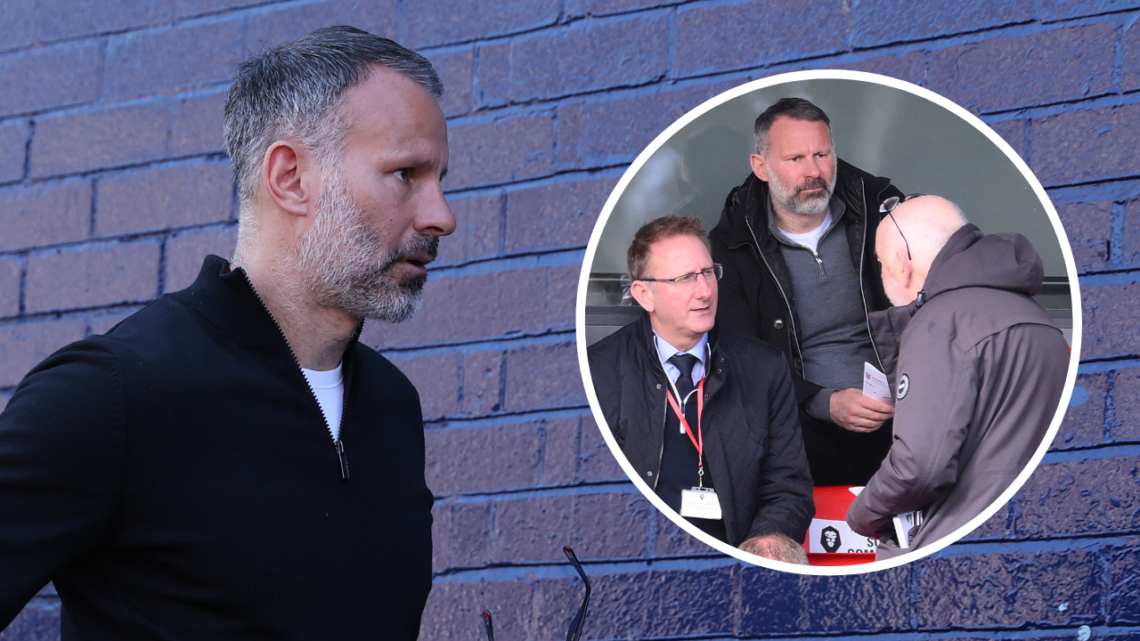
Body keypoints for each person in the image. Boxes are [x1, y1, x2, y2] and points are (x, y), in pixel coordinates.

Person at [0, 26, 455, 639]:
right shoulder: (116, 393)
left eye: (440, 180)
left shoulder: (392, 405)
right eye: (405, 174)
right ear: (290, 177)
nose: (442, 216)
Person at [846, 195, 1069, 559]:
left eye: (882, 263)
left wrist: (861, 515)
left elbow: (918, 468)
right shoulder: (1038, 318)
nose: (884, 275)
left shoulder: (938, 323)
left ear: (902, 264)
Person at [588, 216, 814, 563]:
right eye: (684, 279)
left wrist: (766, 543)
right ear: (644, 294)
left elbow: (788, 484)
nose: (705, 291)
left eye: (708, 272)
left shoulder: (764, 368)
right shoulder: (598, 371)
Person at [710, 97, 904, 487]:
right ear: (761, 167)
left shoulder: (882, 214)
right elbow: (742, 358)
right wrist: (824, 403)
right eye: (796, 159)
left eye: (822, 154)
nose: (814, 171)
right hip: (797, 430)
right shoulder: (733, 247)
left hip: (906, 418)